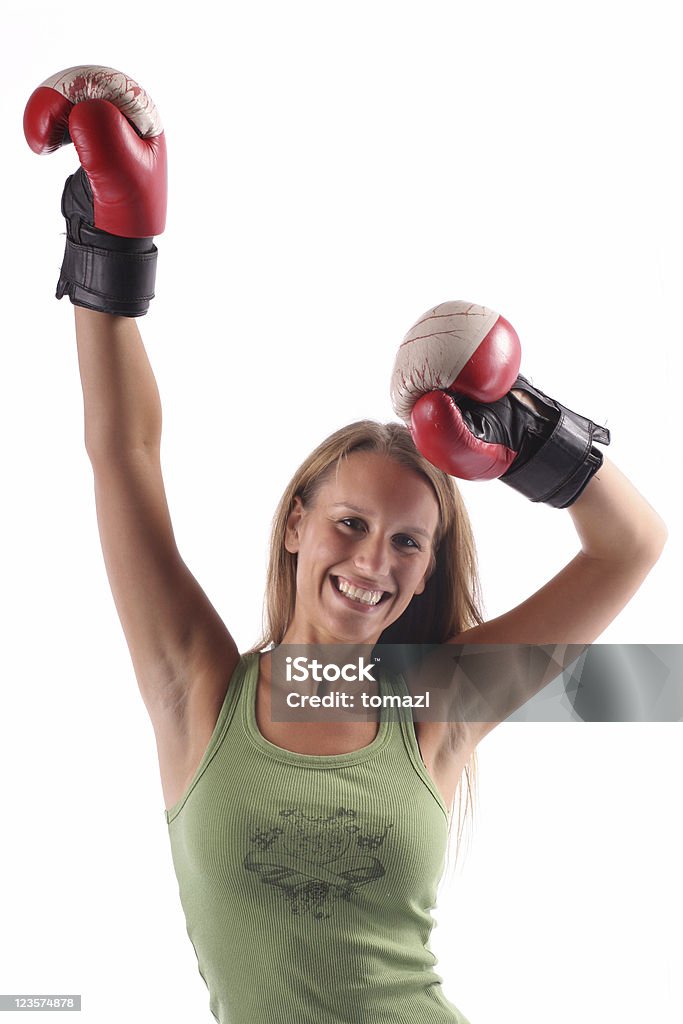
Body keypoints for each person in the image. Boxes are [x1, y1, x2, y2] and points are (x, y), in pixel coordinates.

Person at [25, 67, 668, 1024]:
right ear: (295, 526)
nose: (375, 563)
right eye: (351, 524)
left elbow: (631, 547)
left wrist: (529, 436)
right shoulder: (198, 690)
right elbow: (124, 455)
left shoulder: (437, 700)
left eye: (409, 542)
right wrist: (109, 252)